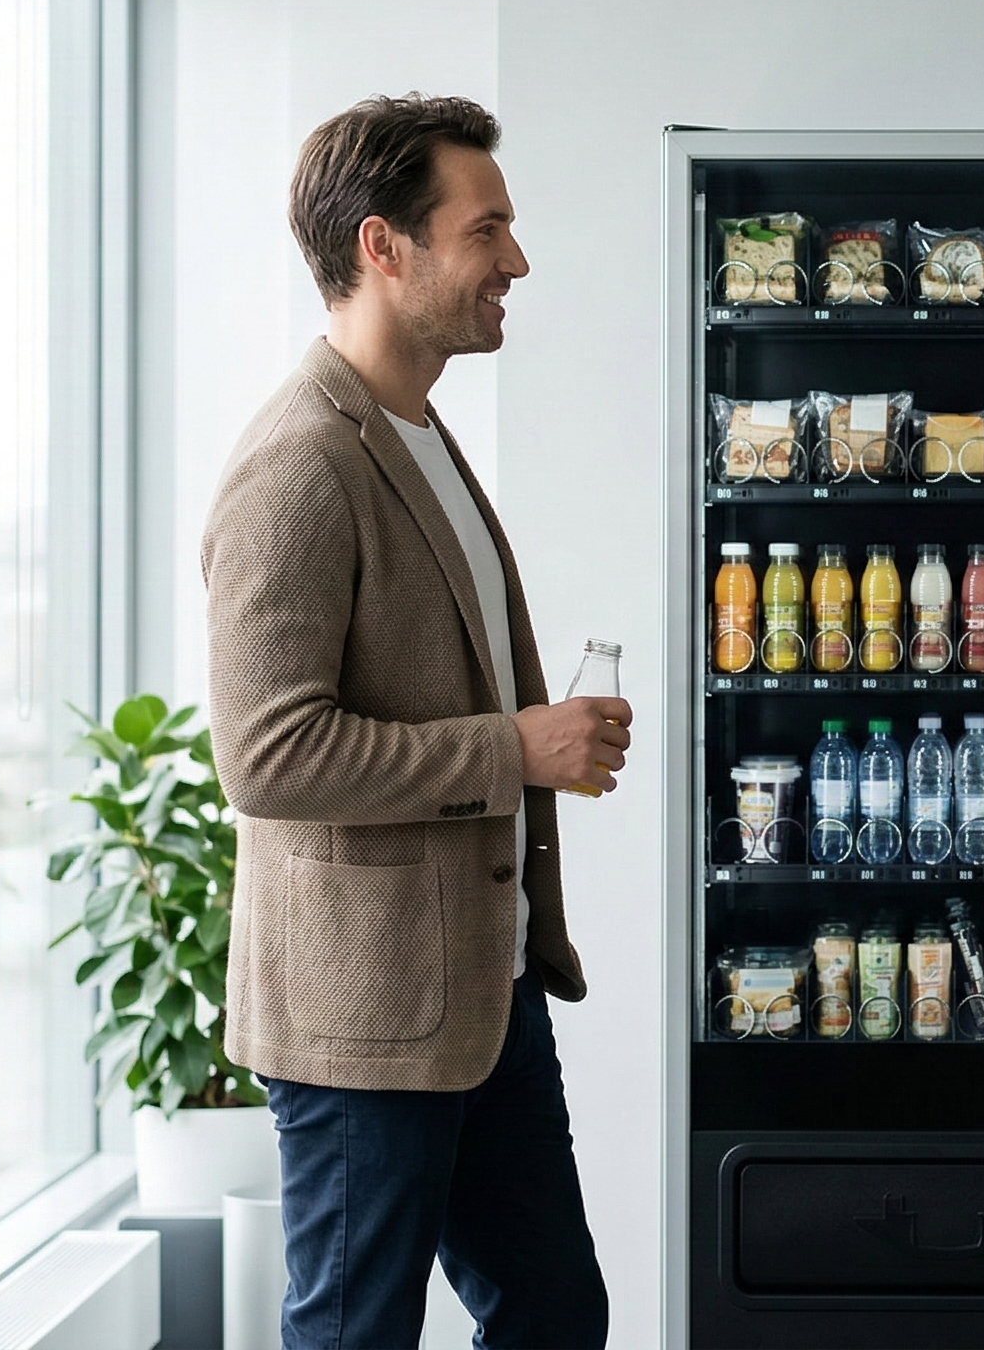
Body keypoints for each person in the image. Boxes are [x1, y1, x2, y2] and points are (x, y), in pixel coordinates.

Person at [201, 94, 621, 1350]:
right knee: (353, 1335)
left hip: (480, 999)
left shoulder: (418, 431)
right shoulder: (297, 467)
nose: (516, 262)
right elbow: (266, 755)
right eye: (485, 229)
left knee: (553, 1318)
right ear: (383, 247)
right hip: (360, 1026)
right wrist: (516, 749)